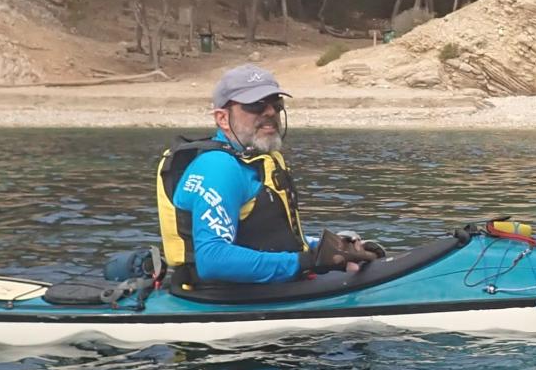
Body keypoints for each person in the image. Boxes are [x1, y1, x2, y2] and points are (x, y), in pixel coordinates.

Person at [155, 63, 381, 286]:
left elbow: (270, 238)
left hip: (273, 286)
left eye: (276, 104)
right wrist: (308, 261)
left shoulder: (259, 159)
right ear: (222, 118)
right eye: (255, 105)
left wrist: (328, 248)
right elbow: (212, 259)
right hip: (225, 297)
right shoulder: (219, 168)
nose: (270, 112)